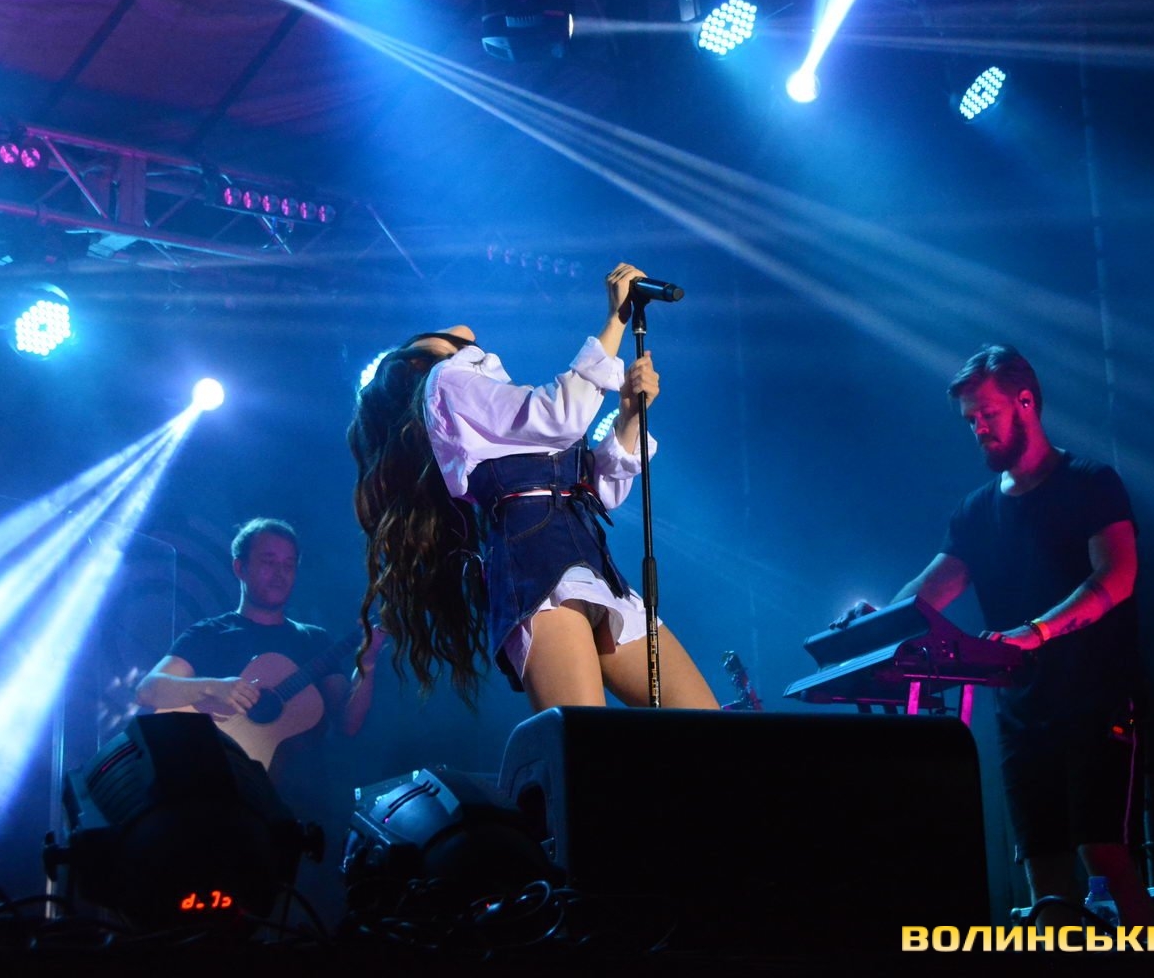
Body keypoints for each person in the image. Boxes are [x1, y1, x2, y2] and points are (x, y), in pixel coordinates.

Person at [347, 262, 717, 712]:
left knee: (705, 722)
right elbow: (560, 413)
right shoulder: (444, 381)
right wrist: (616, 320)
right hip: (535, 570)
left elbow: (599, 492)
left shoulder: (495, 403)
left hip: (591, 561)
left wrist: (628, 416)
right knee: (586, 741)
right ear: (416, 362)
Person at [884, 344, 1154, 928]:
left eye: (987, 414)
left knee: (1103, 851)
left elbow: (1118, 575)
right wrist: (875, 622)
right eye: (971, 421)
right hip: (1022, 714)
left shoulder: (1090, 482)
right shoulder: (976, 512)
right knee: (1042, 868)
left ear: (1026, 403)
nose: (978, 428)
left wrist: (1035, 632)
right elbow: (926, 593)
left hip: (1096, 702)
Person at [134, 518, 378, 784]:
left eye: (288, 565)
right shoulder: (209, 634)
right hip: (216, 784)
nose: (280, 574)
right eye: (268, 562)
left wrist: (367, 663)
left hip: (303, 796)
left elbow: (348, 724)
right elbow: (148, 691)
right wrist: (213, 688)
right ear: (240, 567)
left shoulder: (314, 640)